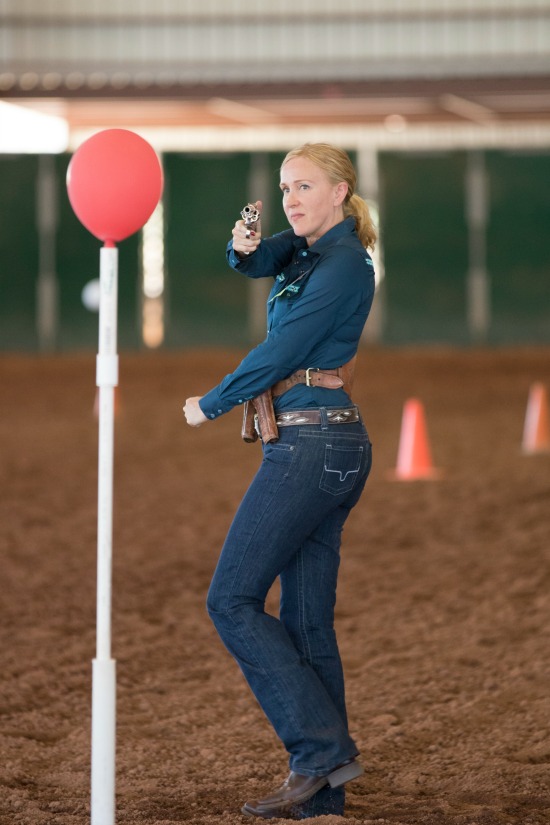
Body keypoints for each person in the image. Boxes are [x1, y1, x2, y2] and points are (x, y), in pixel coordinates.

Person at [183, 142, 376, 819]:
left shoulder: (345, 264)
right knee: (304, 622)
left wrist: (213, 400)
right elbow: (261, 261)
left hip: (312, 447)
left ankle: (320, 751)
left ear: (339, 193)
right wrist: (240, 248)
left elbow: (284, 351)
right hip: (324, 443)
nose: (291, 198)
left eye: (304, 186)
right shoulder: (307, 251)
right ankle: (325, 796)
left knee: (231, 600)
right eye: (285, 187)